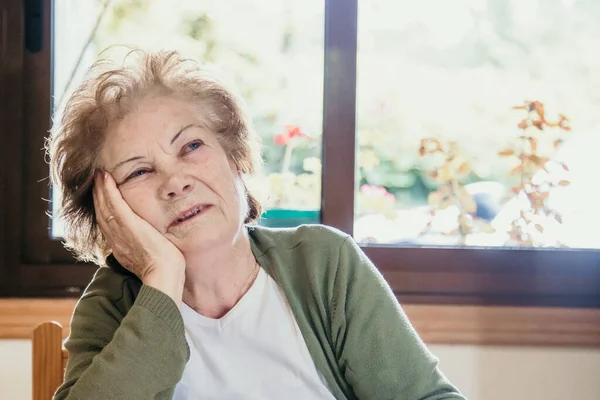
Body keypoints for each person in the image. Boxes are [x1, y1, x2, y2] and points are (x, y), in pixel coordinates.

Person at [47, 48, 466, 400]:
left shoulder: (323, 265)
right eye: (138, 172)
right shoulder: (111, 304)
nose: (176, 183)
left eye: (192, 146)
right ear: (107, 210)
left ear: (234, 156)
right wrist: (162, 281)